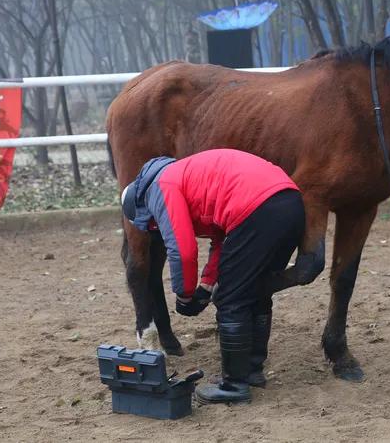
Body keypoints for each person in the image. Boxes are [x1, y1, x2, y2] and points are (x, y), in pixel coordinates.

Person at [120, 149, 304, 404]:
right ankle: (251, 371)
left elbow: (182, 250)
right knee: (255, 289)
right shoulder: (186, 176)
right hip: (289, 202)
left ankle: (234, 385)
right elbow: (221, 238)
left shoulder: (160, 188)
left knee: (230, 298)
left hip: (256, 208)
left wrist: (184, 295)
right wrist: (206, 286)